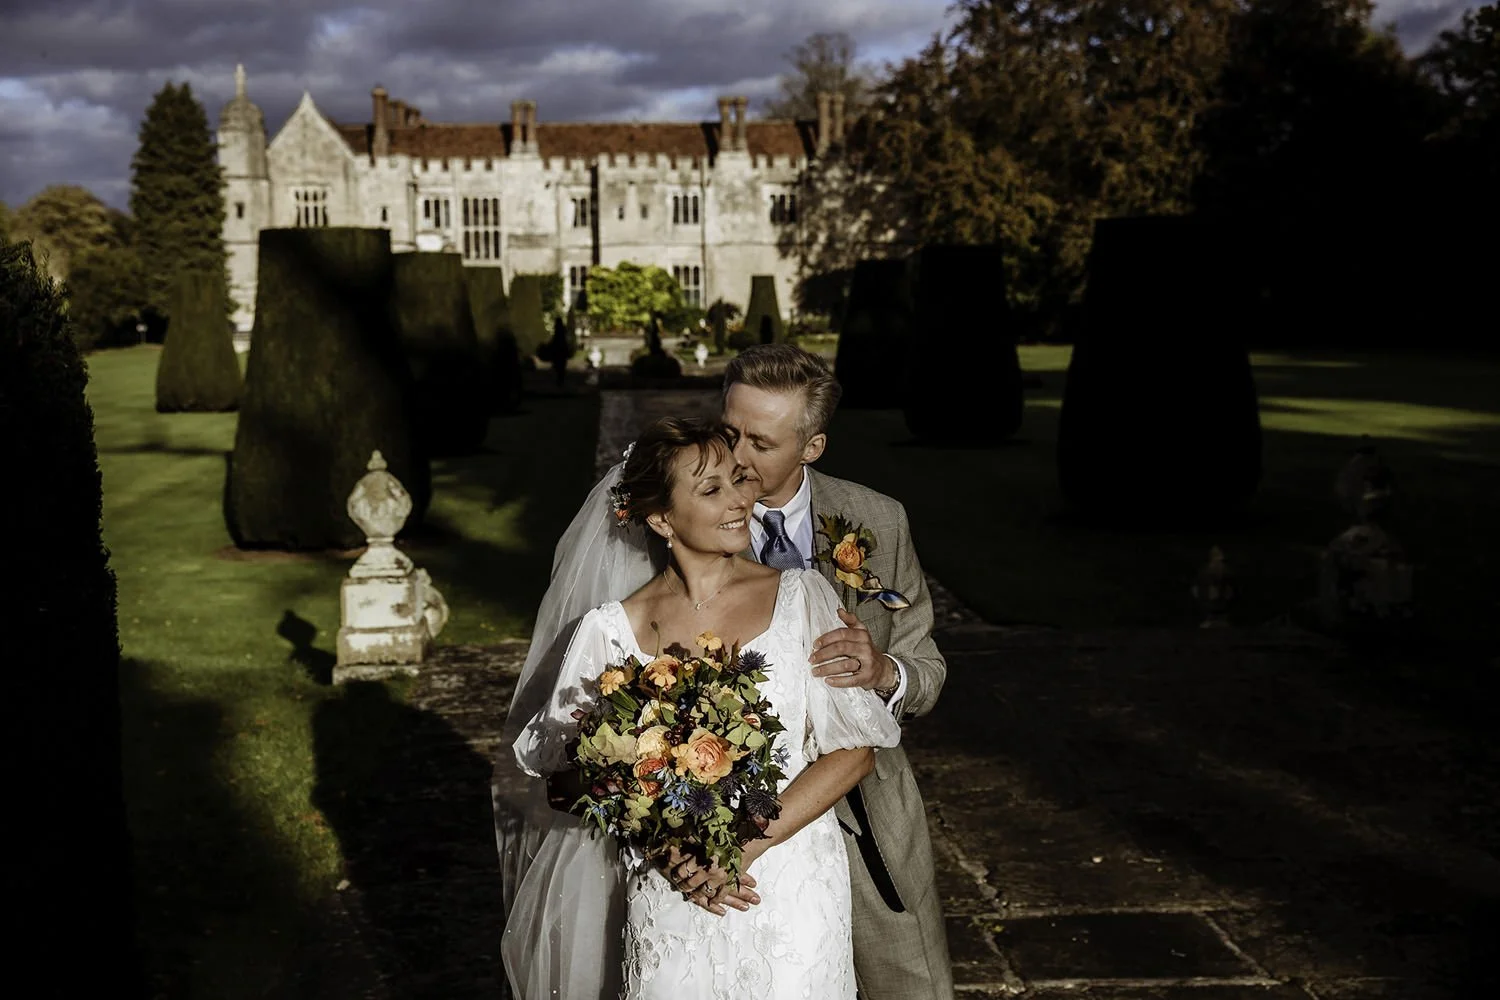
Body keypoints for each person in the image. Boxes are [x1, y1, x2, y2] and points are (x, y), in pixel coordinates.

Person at [502, 418, 901, 998]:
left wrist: (737, 849)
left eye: (740, 480)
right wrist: (665, 848)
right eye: (712, 490)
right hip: (672, 889)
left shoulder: (800, 599)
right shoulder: (610, 631)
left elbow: (855, 752)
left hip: (786, 885)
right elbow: (565, 779)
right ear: (661, 518)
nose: (741, 500)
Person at [703, 342, 956, 999]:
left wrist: (883, 672)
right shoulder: (682, 517)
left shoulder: (878, 521)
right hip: (724, 808)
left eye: (760, 442)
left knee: (904, 984)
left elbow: (926, 667)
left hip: (865, 811)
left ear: (811, 447)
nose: (736, 457)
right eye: (729, 432)